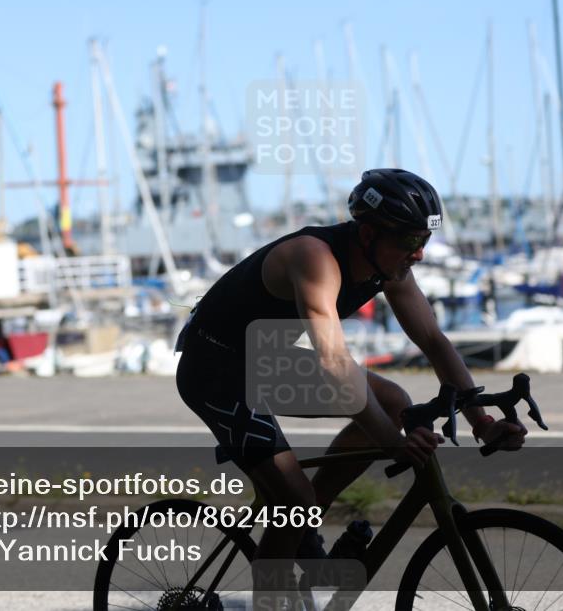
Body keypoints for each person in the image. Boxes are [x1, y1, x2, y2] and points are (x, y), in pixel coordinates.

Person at [175, 168, 526, 585]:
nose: (420, 254)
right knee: (295, 496)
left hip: (267, 360)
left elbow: (433, 339)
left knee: (395, 402)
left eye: (425, 239)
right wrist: (394, 445)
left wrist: (481, 422)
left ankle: (301, 528)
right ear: (368, 234)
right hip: (214, 368)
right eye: (410, 240)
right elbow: (335, 362)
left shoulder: (389, 267)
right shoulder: (315, 258)